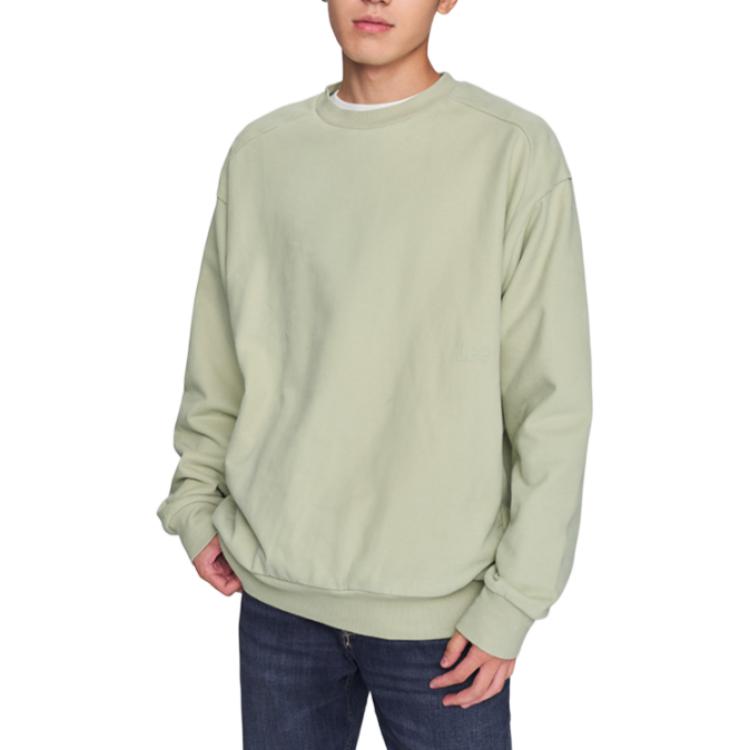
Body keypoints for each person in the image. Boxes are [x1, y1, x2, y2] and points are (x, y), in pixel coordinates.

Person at [156, 1, 593, 747]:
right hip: (279, 601)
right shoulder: (262, 154)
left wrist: (515, 600)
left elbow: (551, 400)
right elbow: (218, 359)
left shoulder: (512, 151)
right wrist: (194, 502)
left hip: (448, 619)